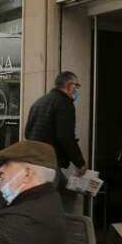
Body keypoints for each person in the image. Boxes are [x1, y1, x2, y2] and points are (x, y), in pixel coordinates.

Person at [25, 71, 87, 212]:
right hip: (49, 163)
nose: (77, 91)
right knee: (45, 204)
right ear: (70, 86)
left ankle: (64, 226)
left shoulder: (39, 102)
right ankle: (51, 229)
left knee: (68, 194)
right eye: (77, 86)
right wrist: (80, 162)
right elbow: (65, 137)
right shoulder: (65, 104)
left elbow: (28, 133)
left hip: (36, 160)